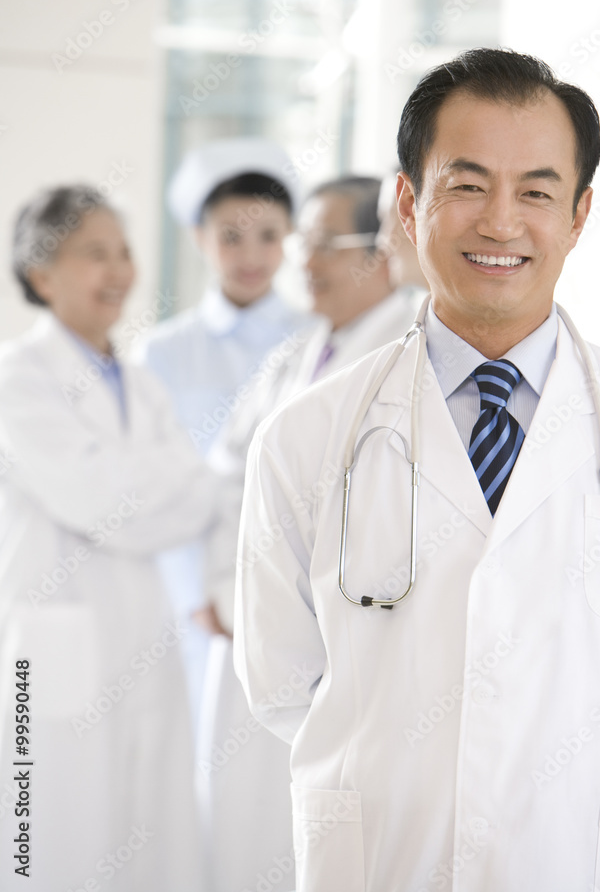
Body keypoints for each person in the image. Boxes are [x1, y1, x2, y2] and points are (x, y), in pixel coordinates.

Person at [234, 49, 600, 892]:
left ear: (578, 215)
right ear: (407, 202)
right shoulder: (308, 438)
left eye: (536, 192)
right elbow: (283, 685)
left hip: (580, 858)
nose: (501, 222)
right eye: (466, 185)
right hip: (388, 859)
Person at [197, 174, 423, 892]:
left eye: (326, 243)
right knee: (241, 825)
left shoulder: (408, 354)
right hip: (248, 627)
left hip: (337, 651)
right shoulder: (299, 355)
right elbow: (226, 476)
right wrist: (221, 591)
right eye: (306, 241)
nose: (304, 260)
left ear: (381, 252)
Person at [0, 185, 225, 891]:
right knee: (49, 838)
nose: (120, 271)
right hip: (50, 640)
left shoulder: (142, 385)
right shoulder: (16, 378)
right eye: (94, 253)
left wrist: (141, 486)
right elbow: (97, 498)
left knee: (146, 835)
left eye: (124, 252)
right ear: (42, 274)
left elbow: (195, 499)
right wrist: (153, 484)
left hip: (140, 634)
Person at [136, 137, 310, 725]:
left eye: (268, 235)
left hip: (295, 588)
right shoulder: (162, 354)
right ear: (198, 238)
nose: (251, 254)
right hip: (189, 600)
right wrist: (195, 595)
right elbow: (155, 487)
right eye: (230, 236)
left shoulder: (317, 341)